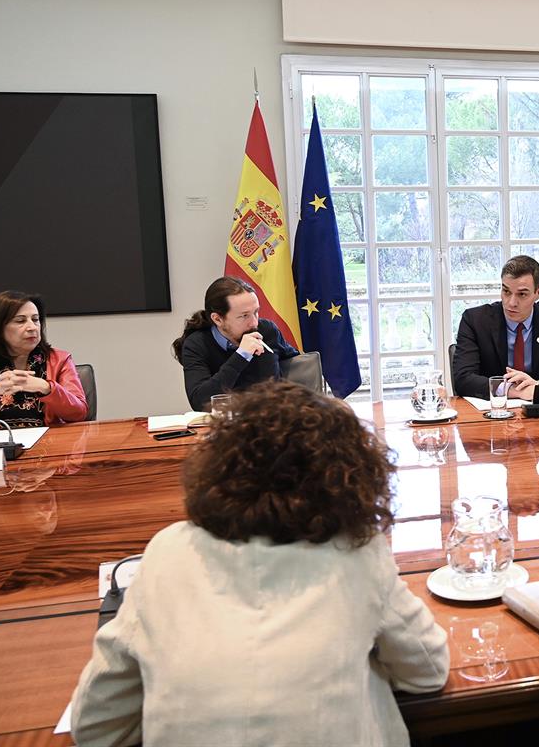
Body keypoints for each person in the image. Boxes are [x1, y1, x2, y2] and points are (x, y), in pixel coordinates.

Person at [69, 381, 449, 746]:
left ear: (221, 465)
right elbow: (427, 673)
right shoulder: (356, 552)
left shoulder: (168, 550)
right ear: (352, 475)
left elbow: (97, 727)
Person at [452, 255, 539, 400]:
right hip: (492, 411)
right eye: (506, 292)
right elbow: (463, 379)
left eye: (522, 294)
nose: (511, 302)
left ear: (538, 292)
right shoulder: (475, 320)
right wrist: (513, 391)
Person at [0, 290, 87, 430]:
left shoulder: (59, 360)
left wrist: (46, 387)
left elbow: (79, 413)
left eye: (35, 319)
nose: (32, 327)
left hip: (50, 444)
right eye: (20, 321)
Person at [172, 276, 298, 411]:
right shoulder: (197, 344)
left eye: (256, 312)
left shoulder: (267, 331)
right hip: (226, 426)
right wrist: (241, 356)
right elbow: (200, 402)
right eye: (244, 316)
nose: (254, 323)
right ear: (218, 319)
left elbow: (298, 365)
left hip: (272, 421)